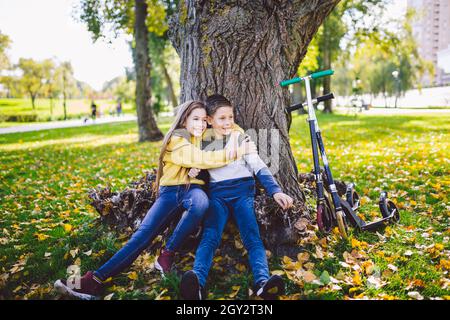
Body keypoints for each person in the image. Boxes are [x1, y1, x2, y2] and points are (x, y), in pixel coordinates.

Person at [53, 100, 256, 300]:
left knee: (201, 202)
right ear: (184, 120)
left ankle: (166, 254)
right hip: (170, 193)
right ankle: (93, 280)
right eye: (195, 119)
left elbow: (229, 126)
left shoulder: (203, 135)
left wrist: (239, 133)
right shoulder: (177, 139)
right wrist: (238, 151)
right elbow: (202, 159)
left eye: (204, 120)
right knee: (141, 238)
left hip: (192, 189)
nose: (200, 124)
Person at [180, 94, 294, 300]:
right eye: (222, 118)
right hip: (218, 197)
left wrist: (275, 191)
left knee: (252, 237)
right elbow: (195, 164)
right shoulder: (202, 143)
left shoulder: (241, 138)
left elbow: (259, 166)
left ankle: (263, 282)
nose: (228, 122)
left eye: (230, 117)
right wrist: (193, 169)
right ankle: (197, 283)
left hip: (243, 194)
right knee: (210, 237)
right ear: (209, 120)